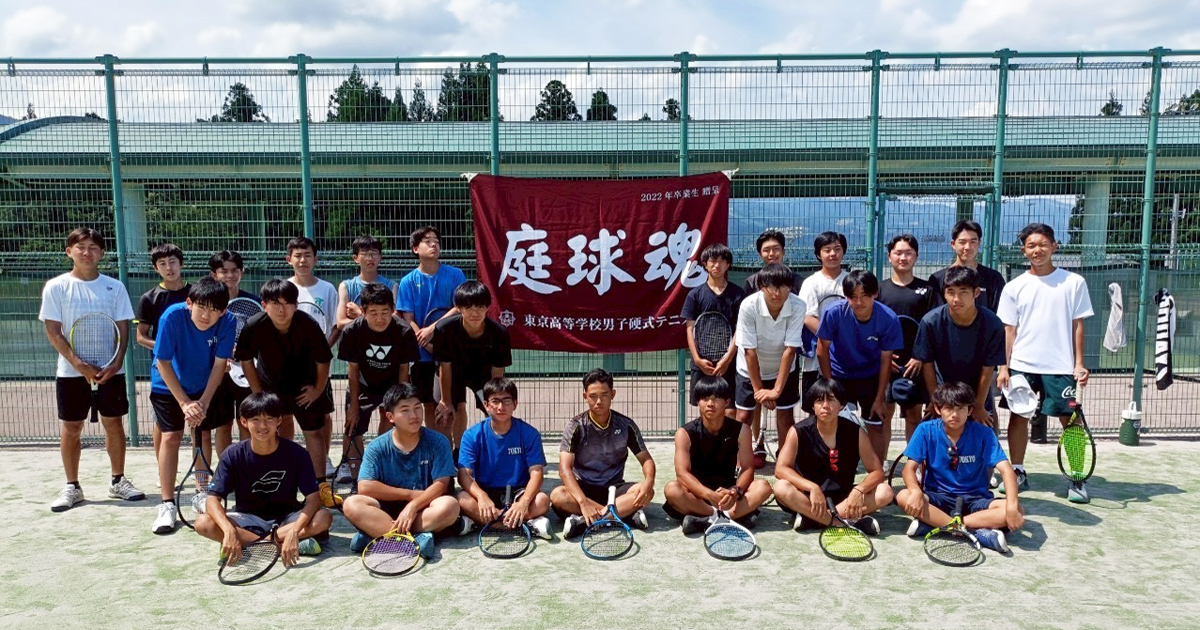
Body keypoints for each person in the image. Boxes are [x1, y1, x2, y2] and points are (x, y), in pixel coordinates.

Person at [39, 228, 145, 512]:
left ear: (101, 253)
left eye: (93, 247)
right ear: (69, 252)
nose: (87, 252)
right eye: (81, 246)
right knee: (72, 427)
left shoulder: (115, 287)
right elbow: (53, 330)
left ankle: (118, 481)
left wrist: (117, 361)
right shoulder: (56, 287)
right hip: (70, 373)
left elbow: (123, 328)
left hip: (110, 371)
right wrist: (78, 364)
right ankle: (72, 486)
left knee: (114, 424)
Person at [996, 223, 1094, 502]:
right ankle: (1017, 471)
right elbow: (1009, 330)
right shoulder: (1014, 287)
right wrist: (1004, 366)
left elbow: (1078, 325)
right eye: (1031, 246)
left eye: (1042, 244)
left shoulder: (1074, 282)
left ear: (1054, 246)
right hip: (1022, 365)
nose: (1037, 250)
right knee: (1018, 417)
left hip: (1061, 367)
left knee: (1070, 421)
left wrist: (1079, 363)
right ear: (1024, 250)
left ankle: (1077, 476)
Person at [196, 391, 330, 567]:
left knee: (323, 517)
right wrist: (228, 530)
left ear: (279, 420)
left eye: (269, 419)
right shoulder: (232, 454)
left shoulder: (297, 453)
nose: (263, 426)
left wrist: (294, 531)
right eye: (256, 420)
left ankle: (254, 544)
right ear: (244, 422)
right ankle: (280, 546)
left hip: (287, 518)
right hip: (247, 518)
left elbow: (314, 499)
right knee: (203, 523)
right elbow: (213, 499)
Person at [233, 278, 336, 506]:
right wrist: (258, 392)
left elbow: (323, 360)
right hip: (271, 387)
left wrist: (317, 389)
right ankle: (282, 479)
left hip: (305, 387)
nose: (282, 309)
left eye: (288, 303)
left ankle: (321, 485)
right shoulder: (253, 325)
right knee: (278, 430)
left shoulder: (307, 324)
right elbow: (245, 359)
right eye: (275, 303)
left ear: (296, 305)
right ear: (264, 305)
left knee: (314, 433)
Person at [894, 382, 1023, 553]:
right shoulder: (925, 430)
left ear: (970, 410)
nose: (955, 414)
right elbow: (908, 469)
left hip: (976, 499)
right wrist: (916, 491)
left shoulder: (984, 433)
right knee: (904, 496)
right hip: (938, 497)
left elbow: (1007, 471)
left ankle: (940, 525)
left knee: (1016, 509)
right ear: (938, 409)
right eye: (948, 408)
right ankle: (977, 533)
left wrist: (1012, 507)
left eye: (961, 408)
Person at [149, 278, 235, 534]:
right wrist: (185, 403)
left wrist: (203, 403)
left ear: (223, 311)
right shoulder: (171, 317)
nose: (207, 315)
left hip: (204, 384)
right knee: (171, 436)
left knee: (202, 434)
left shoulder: (228, 321)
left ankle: (201, 492)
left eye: (214, 310)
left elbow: (219, 365)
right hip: (168, 385)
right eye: (202, 307)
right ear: (189, 303)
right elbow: (163, 362)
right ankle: (167, 503)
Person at [343, 383, 461, 559]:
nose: (414, 415)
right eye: (405, 410)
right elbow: (365, 487)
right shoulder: (377, 447)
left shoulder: (439, 442)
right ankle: (416, 539)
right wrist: (409, 495)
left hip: (423, 509)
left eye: (417, 408)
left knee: (450, 506)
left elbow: (441, 485)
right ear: (390, 417)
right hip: (385, 511)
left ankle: (378, 535)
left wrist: (413, 505)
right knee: (351, 504)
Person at [772, 379, 892, 534]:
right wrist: (812, 487)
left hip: (844, 498)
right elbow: (780, 469)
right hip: (809, 497)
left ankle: (814, 519)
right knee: (781, 488)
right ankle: (841, 521)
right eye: (819, 400)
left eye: (831, 400)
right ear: (813, 406)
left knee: (885, 492)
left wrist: (859, 490)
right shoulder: (798, 431)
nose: (825, 405)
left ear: (841, 405)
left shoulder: (856, 432)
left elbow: (877, 472)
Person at [552, 368, 656, 538]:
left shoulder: (626, 425)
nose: (599, 401)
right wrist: (583, 502)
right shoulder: (576, 426)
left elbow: (646, 459)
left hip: (614, 489)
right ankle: (621, 515)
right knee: (558, 496)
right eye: (593, 396)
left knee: (647, 492)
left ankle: (590, 520)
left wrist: (649, 482)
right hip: (583, 488)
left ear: (613, 394)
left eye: (604, 395)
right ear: (585, 396)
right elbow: (565, 470)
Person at [664, 376, 773, 533]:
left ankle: (707, 521)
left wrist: (735, 491)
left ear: (727, 402)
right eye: (704, 398)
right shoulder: (684, 433)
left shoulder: (742, 430)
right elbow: (682, 474)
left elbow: (748, 468)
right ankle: (729, 517)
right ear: (698, 402)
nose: (710, 403)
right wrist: (709, 495)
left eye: (716, 398)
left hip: (728, 494)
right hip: (697, 496)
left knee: (763, 487)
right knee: (672, 490)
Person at [816, 270, 903, 462]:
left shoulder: (888, 318)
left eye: (864, 295)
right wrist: (830, 385)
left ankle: (878, 468)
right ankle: (837, 466)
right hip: (839, 374)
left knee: (876, 424)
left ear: (875, 294)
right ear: (846, 296)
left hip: (871, 375)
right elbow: (822, 349)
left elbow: (886, 360)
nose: (859, 302)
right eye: (853, 296)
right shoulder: (834, 312)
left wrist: (879, 398)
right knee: (835, 423)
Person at [336, 282, 419, 483]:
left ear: (393, 310)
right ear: (363, 311)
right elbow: (352, 369)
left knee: (395, 424)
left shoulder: (404, 331)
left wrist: (401, 404)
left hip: (393, 384)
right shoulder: (352, 331)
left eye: (385, 312)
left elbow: (404, 370)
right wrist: (353, 406)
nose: (380, 318)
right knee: (352, 427)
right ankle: (358, 478)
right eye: (373, 313)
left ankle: (385, 471)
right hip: (364, 384)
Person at [913, 266, 1006, 441]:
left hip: (978, 392)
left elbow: (988, 368)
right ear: (944, 293)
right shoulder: (930, 321)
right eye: (951, 292)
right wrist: (935, 400)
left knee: (984, 440)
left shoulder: (992, 323)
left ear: (976, 293)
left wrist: (978, 405)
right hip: (944, 391)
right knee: (937, 441)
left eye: (963, 292)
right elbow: (927, 364)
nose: (956, 299)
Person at [454, 377, 552, 539]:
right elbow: (464, 475)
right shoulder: (471, 435)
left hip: (517, 491)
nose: (501, 407)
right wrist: (481, 497)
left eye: (506, 401)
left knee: (542, 500)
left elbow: (537, 473)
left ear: (515, 404)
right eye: (495, 401)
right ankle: (522, 524)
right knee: (462, 499)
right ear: (486, 405)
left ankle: (484, 523)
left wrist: (523, 503)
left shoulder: (530, 433)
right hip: (485, 491)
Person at [397, 226, 467, 432]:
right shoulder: (407, 281)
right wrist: (425, 340)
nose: (434, 244)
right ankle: (438, 447)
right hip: (422, 354)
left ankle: (459, 448)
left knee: (457, 404)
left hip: (452, 352)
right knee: (428, 404)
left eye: (436, 241)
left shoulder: (455, 275)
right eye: (427, 241)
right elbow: (407, 318)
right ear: (415, 249)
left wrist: (433, 329)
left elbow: (460, 306)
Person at [433, 280, 513, 460]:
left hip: (483, 376)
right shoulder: (444, 329)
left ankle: (495, 453)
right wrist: (446, 401)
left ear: (487, 307)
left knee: (496, 412)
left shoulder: (499, 333)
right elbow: (444, 367)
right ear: (459, 308)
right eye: (468, 307)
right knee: (447, 412)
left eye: (480, 307)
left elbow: (497, 373)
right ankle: (452, 455)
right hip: (453, 373)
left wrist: (495, 400)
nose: (474, 313)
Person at [741, 231, 802, 465]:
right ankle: (744, 459)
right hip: (750, 365)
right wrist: (759, 390)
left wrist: (775, 391)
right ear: (761, 286)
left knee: (786, 417)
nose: (777, 293)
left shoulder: (798, 304)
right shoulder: (749, 303)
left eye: (783, 287)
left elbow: (790, 350)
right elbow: (749, 351)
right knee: (744, 416)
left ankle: (785, 462)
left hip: (783, 366)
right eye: (771, 287)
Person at [286, 236, 340, 480]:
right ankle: (286, 457)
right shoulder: (284, 288)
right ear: (289, 259)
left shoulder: (327, 289)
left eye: (307, 255)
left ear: (315, 259)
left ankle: (323, 459)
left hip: (318, 367)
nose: (303, 260)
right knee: (284, 415)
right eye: (297, 255)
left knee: (323, 415)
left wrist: (321, 352)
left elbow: (336, 326)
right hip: (289, 367)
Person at [877, 235, 936, 442]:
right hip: (886, 363)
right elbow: (873, 327)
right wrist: (882, 356)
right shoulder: (879, 290)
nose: (903, 258)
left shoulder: (928, 290)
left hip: (916, 365)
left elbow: (931, 328)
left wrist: (920, 357)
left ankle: (915, 459)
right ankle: (880, 460)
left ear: (916, 256)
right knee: (883, 416)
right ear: (889, 257)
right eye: (898, 253)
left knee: (914, 417)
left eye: (908, 253)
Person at [136, 243, 191, 464]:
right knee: (163, 424)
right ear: (155, 268)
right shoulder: (149, 298)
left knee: (197, 424)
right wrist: (166, 349)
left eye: (173, 262)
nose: (169, 268)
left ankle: (201, 475)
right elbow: (141, 336)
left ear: (181, 264)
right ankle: (164, 471)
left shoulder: (195, 293)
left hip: (194, 369)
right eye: (162, 263)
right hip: (164, 372)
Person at [682, 243, 744, 420]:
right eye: (713, 260)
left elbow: (740, 329)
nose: (717, 265)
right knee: (706, 409)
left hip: (730, 363)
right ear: (705, 264)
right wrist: (697, 359)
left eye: (722, 261)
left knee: (729, 411)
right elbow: (690, 329)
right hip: (702, 363)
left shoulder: (738, 294)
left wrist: (727, 359)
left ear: (728, 265)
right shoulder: (695, 295)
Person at [208, 249, 258, 454]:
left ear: (241, 272)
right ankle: (226, 467)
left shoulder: (254, 302)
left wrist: (244, 351)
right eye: (224, 271)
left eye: (234, 270)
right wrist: (221, 356)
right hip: (219, 373)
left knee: (246, 422)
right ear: (214, 275)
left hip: (247, 371)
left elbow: (260, 337)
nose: (229, 275)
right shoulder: (207, 303)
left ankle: (247, 466)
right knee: (223, 424)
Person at [797, 231, 850, 414]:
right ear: (819, 254)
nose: (833, 254)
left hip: (847, 360)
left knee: (845, 410)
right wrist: (831, 338)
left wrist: (845, 339)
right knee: (818, 410)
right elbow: (807, 317)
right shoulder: (811, 283)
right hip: (815, 361)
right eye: (827, 250)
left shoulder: (851, 280)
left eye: (837, 249)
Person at [928, 220, 1007, 314]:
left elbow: (1000, 314)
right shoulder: (938, 279)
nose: (968, 247)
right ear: (953, 244)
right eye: (962, 242)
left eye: (973, 242)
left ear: (979, 243)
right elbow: (936, 315)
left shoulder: (994, 278)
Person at [336, 234, 399, 331]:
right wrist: (373, 319)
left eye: (374, 253)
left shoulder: (392, 286)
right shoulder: (346, 286)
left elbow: (395, 320)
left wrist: (360, 314)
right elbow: (340, 323)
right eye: (365, 253)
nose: (370, 258)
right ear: (356, 258)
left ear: (380, 257)